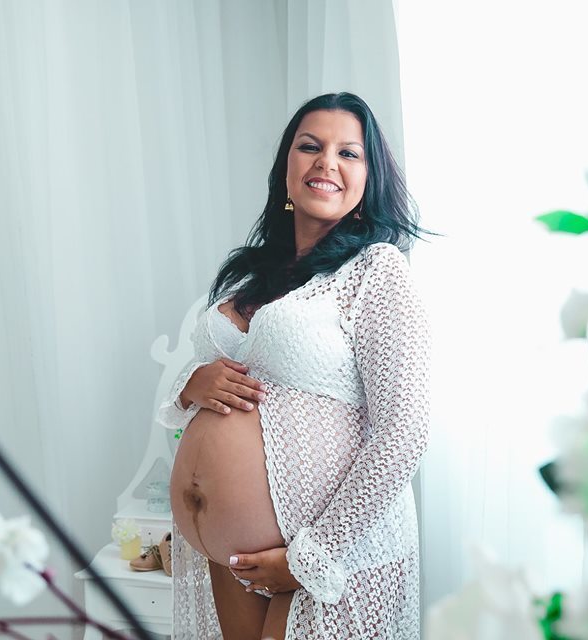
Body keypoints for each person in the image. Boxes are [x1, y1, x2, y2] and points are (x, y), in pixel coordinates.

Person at [156, 92, 432, 639]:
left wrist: (313, 554)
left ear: (369, 179)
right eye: (310, 146)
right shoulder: (253, 273)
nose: (326, 162)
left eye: (348, 153)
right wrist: (191, 385)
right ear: (286, 168)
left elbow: (404, 431)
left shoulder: (376, 271)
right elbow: (220, 382)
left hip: (324, 549)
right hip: (232, 555)